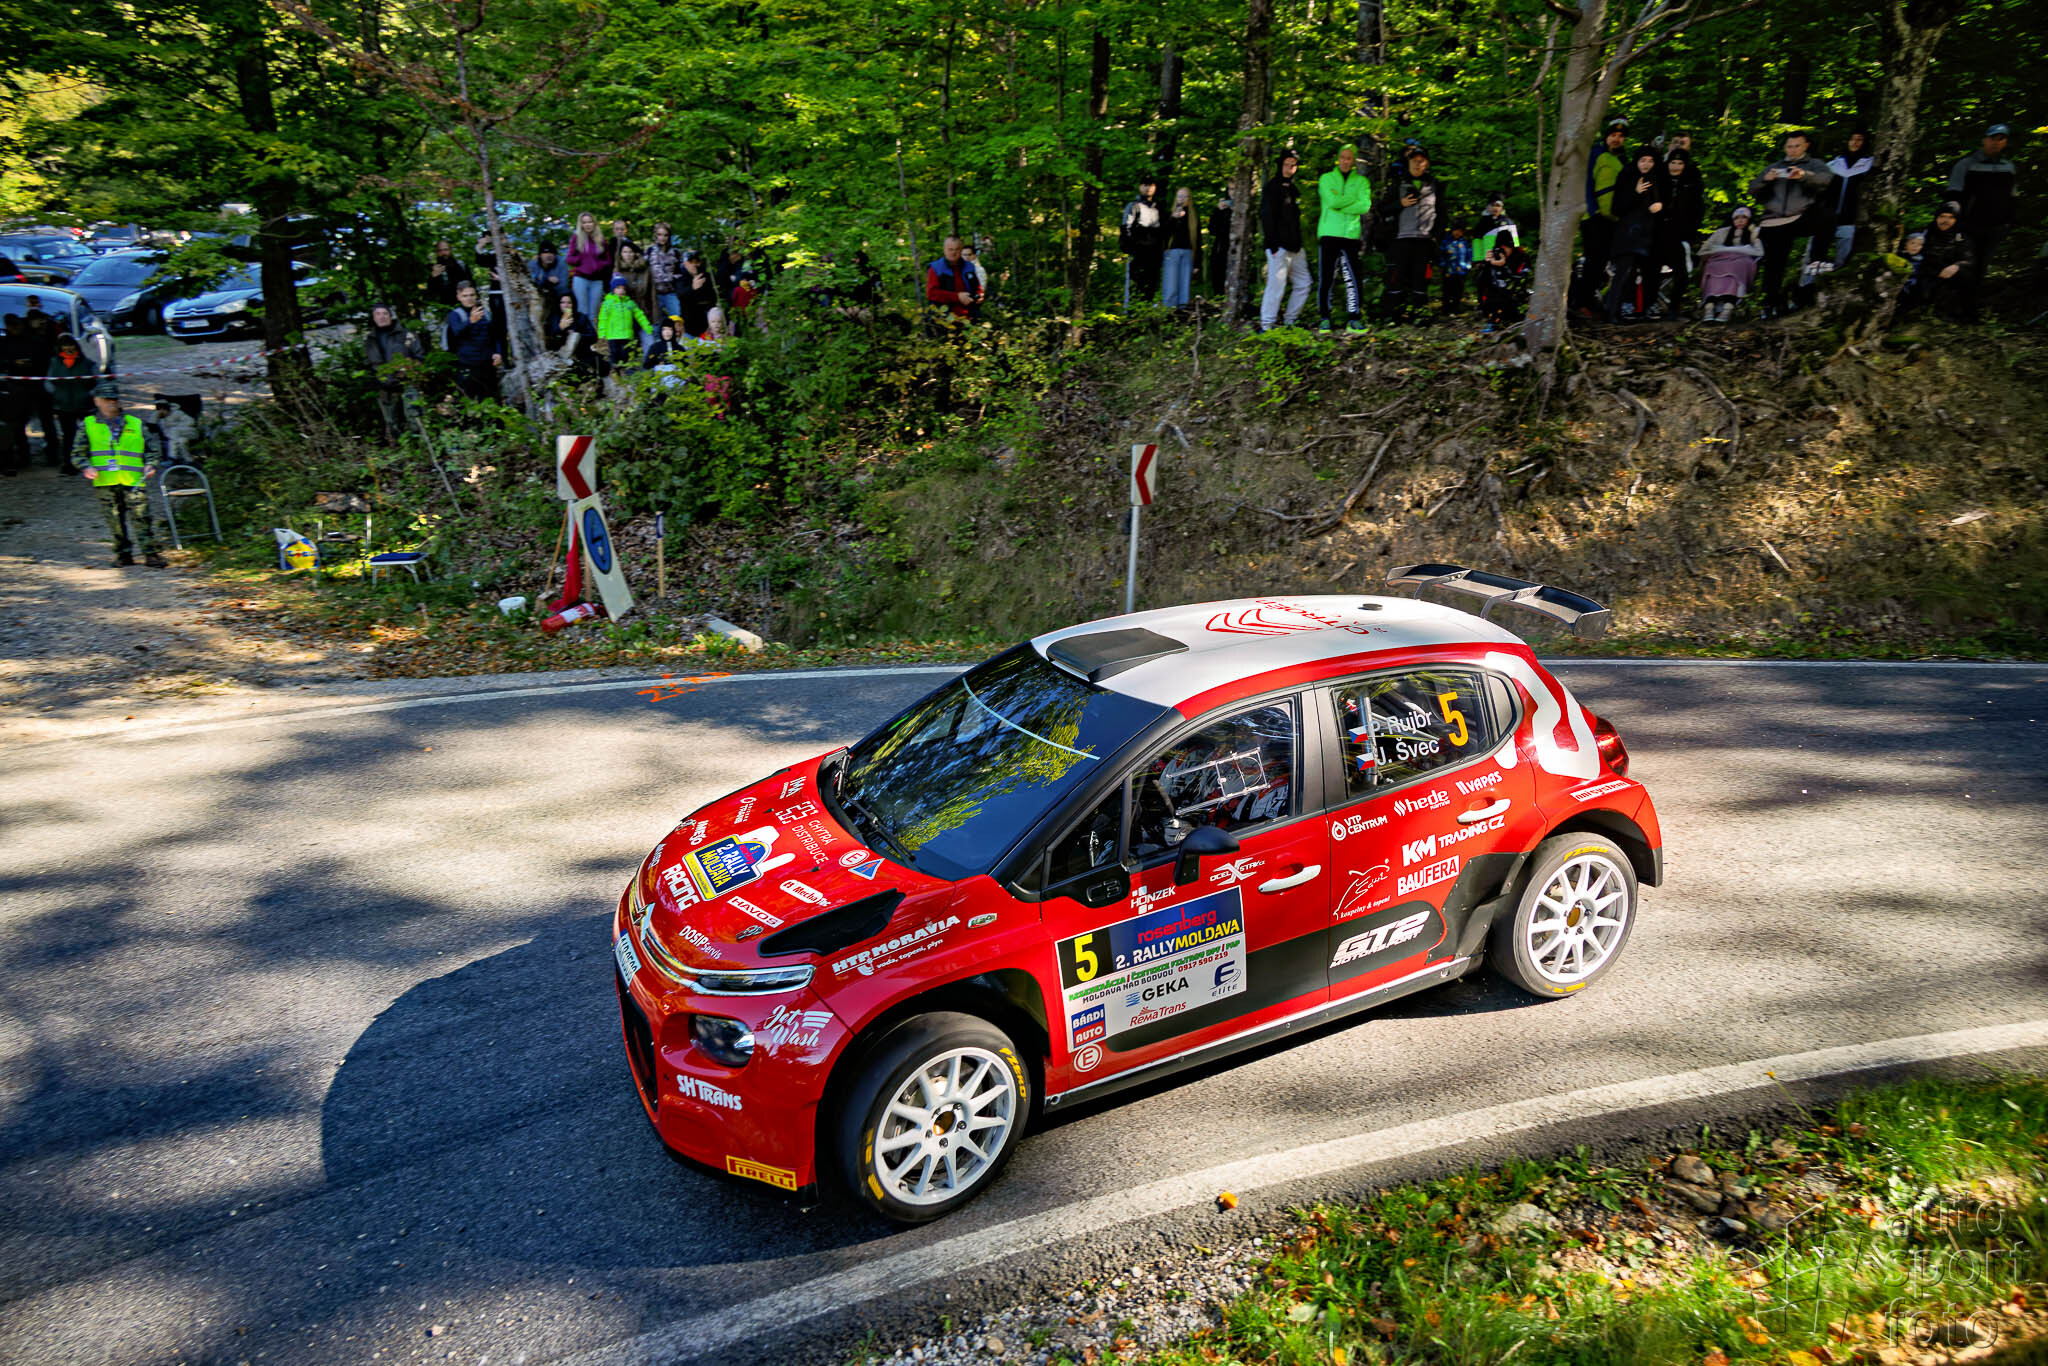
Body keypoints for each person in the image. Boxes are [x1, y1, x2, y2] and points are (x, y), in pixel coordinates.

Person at [71, 381, 164, 567]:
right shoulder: (88, 425)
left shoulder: (135, 423)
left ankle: (151, 554)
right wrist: (86, 467)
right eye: (106, 399)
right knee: (114, 519)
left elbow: (153, 449)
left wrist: (151, 464)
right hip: (105, 481)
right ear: (97, 401)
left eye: (114, 399)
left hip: (134, 480)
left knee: (142, 517)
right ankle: (123, 555)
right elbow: (77, 454)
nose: (111, 402)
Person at [1748, 131, 1835, 318]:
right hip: (1774, 220)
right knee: (1774, 265)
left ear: (1806, 146)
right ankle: (1770, 304)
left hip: (1801, 216)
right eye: (1789, 146)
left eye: (1797, 146)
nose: (1793, 150)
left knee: (1827, 215)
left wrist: (1804, 175)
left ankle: (1818, 260)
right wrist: (1765, 180)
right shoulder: (1775, 166)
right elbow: (1753, 188)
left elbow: (1827, 180)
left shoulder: (1814, 164)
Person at [1947, 124, 2015, 318]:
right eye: (1993, 138)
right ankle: (1958, 307)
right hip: (1969, 226)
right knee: (1967, 264)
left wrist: (2008, 222)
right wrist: (1955, 222)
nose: (1996, 142)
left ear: (2005, 142)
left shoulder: (2009, 167)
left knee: (1982, 267)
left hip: (1996, 227)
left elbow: (2012, 197)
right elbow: (1953, 195)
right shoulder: (1965, 165)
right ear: (1984, 140)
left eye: (2001, 139)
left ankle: (1970, 309)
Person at [1377, 146, 1446, 324]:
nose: (1417, 164)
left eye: (1421, 161)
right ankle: (1392, 315)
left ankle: (1420, 315)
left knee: (1421, 279)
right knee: (1396, 278)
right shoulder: (1398, 183)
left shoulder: (1435, 185)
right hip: (1400, 239)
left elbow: (1442, 214)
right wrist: (1400, 204)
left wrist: (1435, 237)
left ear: (1426, 163)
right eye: (1414, 161)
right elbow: (1382, 209)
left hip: (1425, 240)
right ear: (1408, 163)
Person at [1604, 146, 1668, 322]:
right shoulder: (1627, 176)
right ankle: (1612, 312)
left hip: (1649, 235)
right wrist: (1635, 193)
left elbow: (1664, 205)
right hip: (1628, 235)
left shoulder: (1657, 178)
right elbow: (1616, 208)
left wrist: (1659, 207)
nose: (1646, 164)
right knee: (1623, 274)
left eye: (1650, 161)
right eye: (1643, 160)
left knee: (1647, 274)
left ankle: (1642, 310)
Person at [1315, 144, 1373, 332]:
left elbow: (1364, 206)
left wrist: (1340, 203)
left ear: (1353, 160)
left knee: (1353, 278)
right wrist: (1351, 198)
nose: (1345, 161)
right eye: (1343, 157)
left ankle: (1354, 318)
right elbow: (1331, 202)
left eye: (1349, 158)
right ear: (1338, 158)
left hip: (1350, 235)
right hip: (1329, 233)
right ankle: (1325, 318)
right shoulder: (1326, 178)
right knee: (1327, 277)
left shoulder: (1361, 182)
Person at [1576, 117, 1630, 312]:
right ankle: (1580, 302)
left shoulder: (1623, 160)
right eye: (1613, 135)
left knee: (1604, 263)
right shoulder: (1595, 154)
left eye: (1620, 136)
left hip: (1614, 220)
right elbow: (1586, 182)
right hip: (1594, 218)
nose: (1616, 139)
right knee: (1593, 261)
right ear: (1606, 137)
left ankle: (1593, 299)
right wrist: (1593, 211)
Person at [1259, 150, 1310, 331]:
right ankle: (1266, 326)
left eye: (1293, 164)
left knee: (1304, 283)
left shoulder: (1293, 189)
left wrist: (1299, 243)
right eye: (1287, 164)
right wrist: (1273, 245)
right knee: (1276, 286)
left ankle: (1290, 321)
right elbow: (1266, 216)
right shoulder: (1272, 187)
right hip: (1278, 247)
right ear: (1280, 165)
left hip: (1296, 247)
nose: (1290, 168)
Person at [1652, 147, 1704, 316]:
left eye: (1680, 163)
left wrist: (1689, 235)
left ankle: (1674, 308)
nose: (1675, 166)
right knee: (1651, 272)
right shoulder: (1658, 182)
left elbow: (1697, 212)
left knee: (1681, 275)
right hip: (1656, 236)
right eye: (1672, 162)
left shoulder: (1693, 185)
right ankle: (1648, 306)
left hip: (1679, 237)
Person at [363, 304, 422, 439]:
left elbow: (419, 356)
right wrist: (379, 379)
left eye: (385, 313)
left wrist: (410, 370)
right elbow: (369, 363)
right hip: (384, 385)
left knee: (415, 418)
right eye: (378, 314)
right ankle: (400, 446)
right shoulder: (370, 340)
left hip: (407, 382)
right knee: (392, 423)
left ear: (390, 315)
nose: (382, 317)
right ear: (373, 318)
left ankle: (420, 444)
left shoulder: (406, 335)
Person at [1907, 203, 1975, 321]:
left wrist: (1956, 266)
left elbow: (1969, 259)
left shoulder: (1960, 236)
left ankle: (1951, 310)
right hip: (1925, 272)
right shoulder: (1926, 233)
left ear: (1956, 220)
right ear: (1937, 217)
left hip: (1947, 274)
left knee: (1965, 274)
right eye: (1942, 216)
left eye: (1951, 217)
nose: (1945, 221)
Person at [1698, 206, 1763, 322]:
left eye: (1744, 217)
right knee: (1712, 266)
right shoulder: (1721, 232)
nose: (1740, 221)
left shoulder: (1753, 232)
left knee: (1735, 267)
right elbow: (1703, 251)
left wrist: (1753, 235)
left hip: (1741, 262)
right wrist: (1721, 251)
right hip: (1719, 261)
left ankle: (1728, 307)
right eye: (1737, 218)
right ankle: (1709, 306)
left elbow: (1759, 252)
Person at [1821, 130, 1876, 267]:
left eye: (1859, 139)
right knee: (1814, 258)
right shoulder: (1834, 164)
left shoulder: (1869, 165)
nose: (1855, 142)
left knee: (1843, 261)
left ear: (1865, 143)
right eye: (1852, 139)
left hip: (1850, 219)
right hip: (1826, 217)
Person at [44, 332, 100, 462]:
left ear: (76, 346)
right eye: (64, 345)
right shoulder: (54, 362)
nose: (68, 348)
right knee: (68, 436)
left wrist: (90, 393)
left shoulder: (87, 362)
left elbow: (98, 380)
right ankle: (69, 463)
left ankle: (94, 461)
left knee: (90, 434)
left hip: (85, 405)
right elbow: (47, 381)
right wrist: (56, 393)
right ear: (60, 347)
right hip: (64, 406)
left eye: (71, 345)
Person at [445, 281, 503, 399]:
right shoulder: (455, 315)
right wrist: (470, 321)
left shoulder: (485, 313)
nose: (469, 298)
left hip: (487, 364)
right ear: (459, 297)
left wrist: (498, 352)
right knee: (467, 400)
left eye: (472, 295)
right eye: (465, 296)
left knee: (492, 399)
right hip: (466, 364)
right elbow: (456, 332)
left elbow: (495, 335)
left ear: (476, 295)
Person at [1120, 176, 1166, 308]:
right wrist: (1131, 249)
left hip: (1154, 254)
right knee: (1136, 286)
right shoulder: (1134, 206)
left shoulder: (1158, 207)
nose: (1148, 188)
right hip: (1138, 254)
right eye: (1145, 185)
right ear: (1140, 187)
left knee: (1151, 286)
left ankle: (1148, 314)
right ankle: (1132, 314)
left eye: (1151, 185)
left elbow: (1162, 231)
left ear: (1155, 187)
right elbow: (1126, 228)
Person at [595, 274, 653, 370]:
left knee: (626, 355)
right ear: (613, 290)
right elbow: (603, 319)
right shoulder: (608, 303)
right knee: (614, 355)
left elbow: (639, 315)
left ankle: (625, 372)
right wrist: (602, 333)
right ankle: (615, 372)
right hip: (613, 335)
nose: (621, 290)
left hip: (627, 335)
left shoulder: (629, 303)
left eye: (623, 288)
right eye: (618, 288)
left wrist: (647, 326)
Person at [566, 213, 612, 323]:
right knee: (583, 311)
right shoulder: (576, 238)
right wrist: (580, 259)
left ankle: (592, 333)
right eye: (584, 222)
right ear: (581, 224)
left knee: (594, 313)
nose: (587, 225)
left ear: (594, 223)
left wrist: (599, 264)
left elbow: (608, 260)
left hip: (597, 280)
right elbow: (569, 259)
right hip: (581, 278)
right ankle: (582, 332)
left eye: (590, 222)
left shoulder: (600, 239)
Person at [925, 236, 981, 321]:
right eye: (950, 249)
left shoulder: (969, 267)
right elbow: (931, 293)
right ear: (944, 250)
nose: (954, 253)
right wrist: (957, 297)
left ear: (961, 250)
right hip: (943, 318)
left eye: (957, 249)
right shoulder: (936, 268)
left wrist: (980, 294)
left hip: (969, 316)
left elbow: (977, 287)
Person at [1161, 187, 1198, 310]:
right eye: (1179, 196)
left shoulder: (1193, 217)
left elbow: (1198, 240)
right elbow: (1164, 234)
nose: (1181, 199)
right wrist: (1174, 218)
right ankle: (1169, 310)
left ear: (1189, 199)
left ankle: (1183, 311)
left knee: (1185, 286)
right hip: (1171, 253)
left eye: (1185, 196)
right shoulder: (1169, 214)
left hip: (1188, 253)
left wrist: (1197, 263)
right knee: (1170, 285)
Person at [545, 291, 598, 375]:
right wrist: (560, 328)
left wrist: (577, 335)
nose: (566, 305)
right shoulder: (554, 318)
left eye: (569, 303)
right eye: (563, 302)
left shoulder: (581, 317)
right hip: (560, 351)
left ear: (573, 304)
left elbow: (593, 336)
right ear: (559, 304)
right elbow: (551, 338)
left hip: (581, 351)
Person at [617, 242, 659, 351]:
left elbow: (653, 294)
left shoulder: (645, 270)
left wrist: (655, 317)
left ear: (635, 254)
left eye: (630, 252)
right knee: (627, 350)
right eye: (625, 252)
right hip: (625, 317)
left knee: (650, 347)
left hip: (644, 314)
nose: (628, 255)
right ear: (620, 254)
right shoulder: (618, 271)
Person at [647, 224, 684, 326]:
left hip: (671, 292)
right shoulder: (650, 251)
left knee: (676, 319)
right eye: (660, 234)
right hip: (654, 293)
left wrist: (671, 278)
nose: (662, 238)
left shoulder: (675, 252)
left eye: (665, 235)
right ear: (655, 235)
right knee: (656, 322)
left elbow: (681, 272)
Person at [677, 251, 720, 336]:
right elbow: (680, 295)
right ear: (685, 264)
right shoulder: (681, 278)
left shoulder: (707, 276)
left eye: (696, 262)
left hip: (708, 322)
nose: (694, 265)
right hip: (690, 323)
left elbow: (714, 296)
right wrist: (692, 288)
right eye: (691, 262)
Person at [426, 240, 471, 310]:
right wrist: (433, 277)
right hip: (442, 308)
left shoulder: (461, 265)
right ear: (436, 252)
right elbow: (429, 293)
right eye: (440, 250)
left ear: (450, 250)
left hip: (464, 306)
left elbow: (471, 285)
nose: (443, 253)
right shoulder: (432, 268)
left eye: (445, 250)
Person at [1440, 222, 1472, 314]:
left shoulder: (1465, 242)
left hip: (1461, 270)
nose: (1458, 233)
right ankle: (1445, 308)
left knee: (1459, 290)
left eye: (1460, 231)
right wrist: (1443, 265)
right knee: (1447, 290)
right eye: (1456, 230)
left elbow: (1469, 255)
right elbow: (1441, 255)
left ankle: (1456, 307)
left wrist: (1468, 265)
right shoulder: (1446, 242)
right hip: (1448, 270)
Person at [1206, 191, 1232, 296]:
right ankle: (1219, 296)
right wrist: (1218, 211)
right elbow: (1212, 230)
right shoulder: (1219, 211)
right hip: (1220, 247)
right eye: (1230, 189)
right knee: (1218, 274)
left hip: (1235, 248)